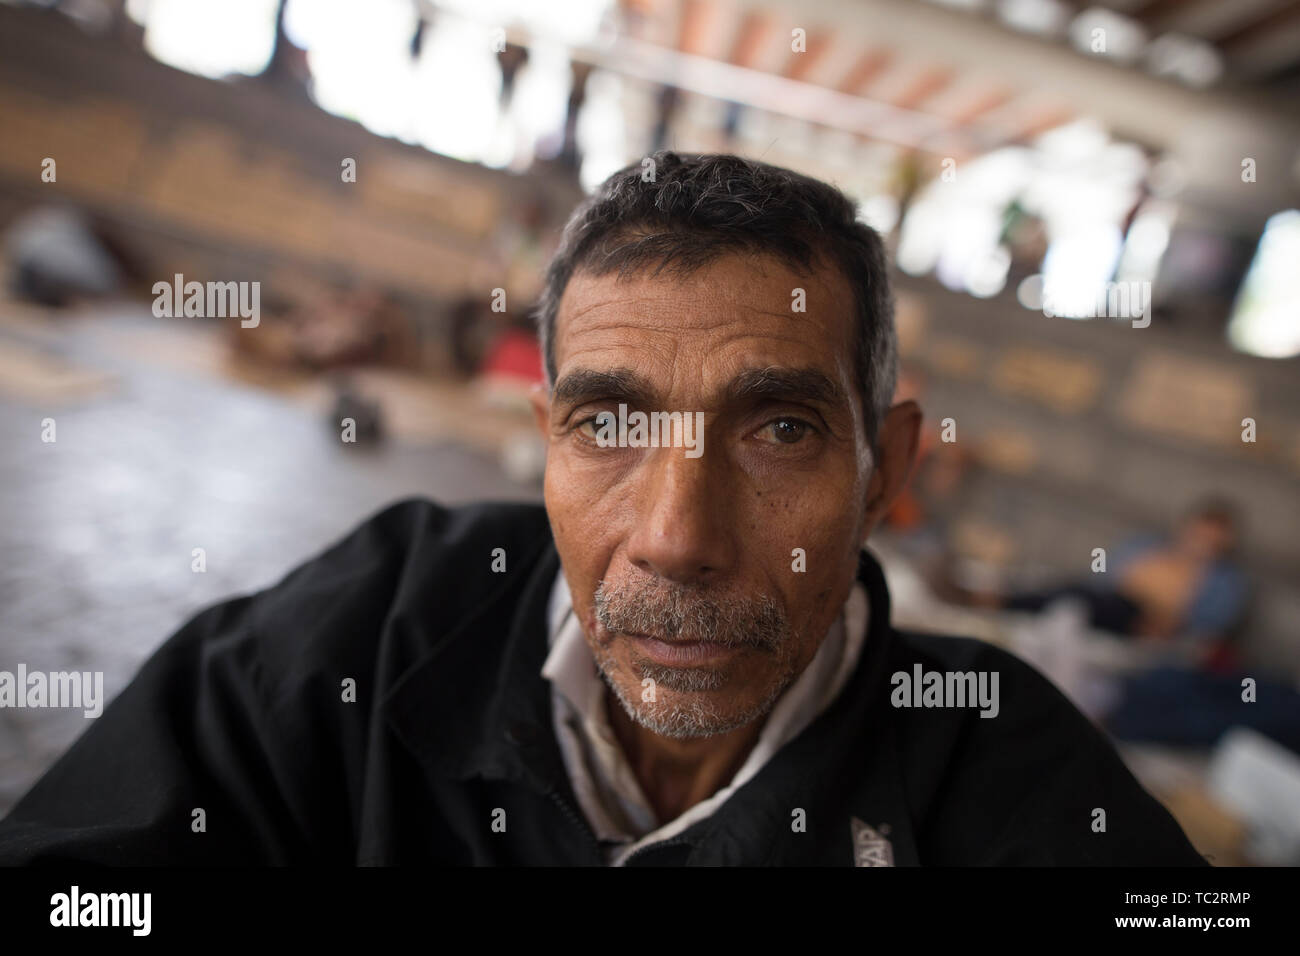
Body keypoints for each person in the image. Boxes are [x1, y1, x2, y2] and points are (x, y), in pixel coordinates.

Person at [0, 153, 1205, 866]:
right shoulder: (367, 636)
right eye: (610, 426)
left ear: (885, 471)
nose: (677, 535)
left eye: (779, 429)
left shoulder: (1022, 792)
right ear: (544, 448)